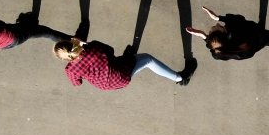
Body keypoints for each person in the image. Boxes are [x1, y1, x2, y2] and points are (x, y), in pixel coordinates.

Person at [54, 38, 187, 90]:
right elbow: (111, 51)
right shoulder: (93, 48)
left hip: (104, 85)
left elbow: (77, 83)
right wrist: (86, 44)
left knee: (122, 60)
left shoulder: (70, 70)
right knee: (147, 59)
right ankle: (180, 78)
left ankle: (129, 57)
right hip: (120, 74)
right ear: (73, 42)